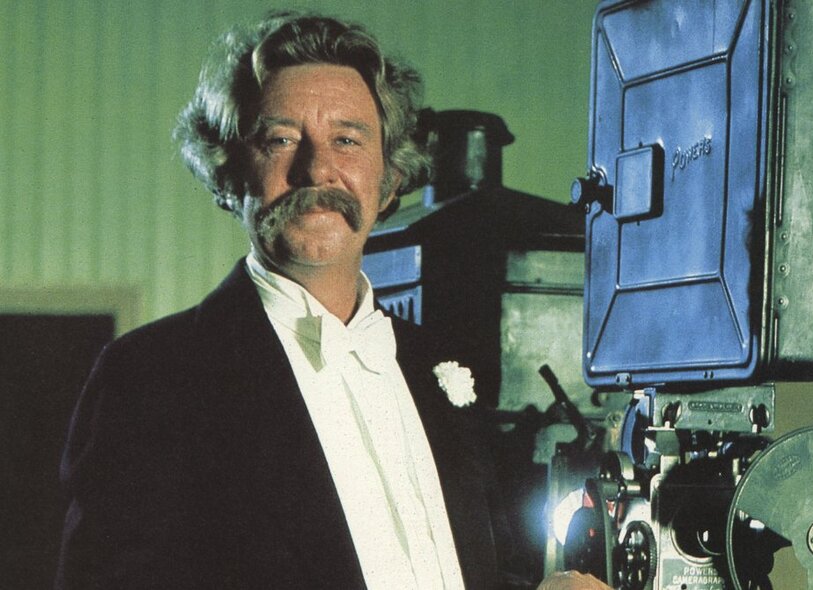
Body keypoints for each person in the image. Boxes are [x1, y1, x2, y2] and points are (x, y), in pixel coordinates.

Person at [55, 10, 610, 590]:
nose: (318, 167)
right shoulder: (150, 379)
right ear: (233, 171)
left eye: (347, 139)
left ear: (390, 178)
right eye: (282, 139)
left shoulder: (432, 367)